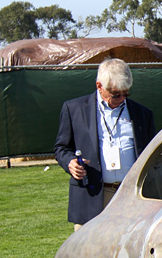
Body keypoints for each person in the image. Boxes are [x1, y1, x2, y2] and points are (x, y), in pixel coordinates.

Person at [54, 58, 155, 228]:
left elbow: (151, 152)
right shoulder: (74, 109)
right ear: (99, 86)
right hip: (92, 196)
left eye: (126, 93)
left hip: (131, 196)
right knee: (88, 253)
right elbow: (61, 147)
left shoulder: (142, 114)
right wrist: (70, 163)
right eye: (116, 94)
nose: (122, 98)